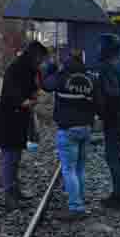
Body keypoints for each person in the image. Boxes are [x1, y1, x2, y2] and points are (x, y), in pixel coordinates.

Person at [0, 41, 49, 210]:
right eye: (41, 58)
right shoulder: (16, 68)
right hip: (9, 119)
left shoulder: (29, 69)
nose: (41, 62)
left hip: (18, 118)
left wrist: (34, 92)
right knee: (9, 157)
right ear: (34, 55)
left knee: (15, 158)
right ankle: (9, 194)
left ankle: (15, 190)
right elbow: (11, 91)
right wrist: (25, 101)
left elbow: (30, 88)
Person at [41, 49, 95, 221]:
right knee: (79, 168)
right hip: (85, 128)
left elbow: (46, 85)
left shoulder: (61, 77)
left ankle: (76, 207)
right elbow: (99, 102)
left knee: (68, 169)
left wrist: (50, 69)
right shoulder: (90, 78)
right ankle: (79, 198)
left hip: (68, 129)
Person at [96, 33, 120, 209]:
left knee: (113, 156)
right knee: (118, 155)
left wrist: (97, 87)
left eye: (101, 45)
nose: (98, 48)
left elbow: (112, 92)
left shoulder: (107, 67)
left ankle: (119, 196)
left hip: (113, 116)